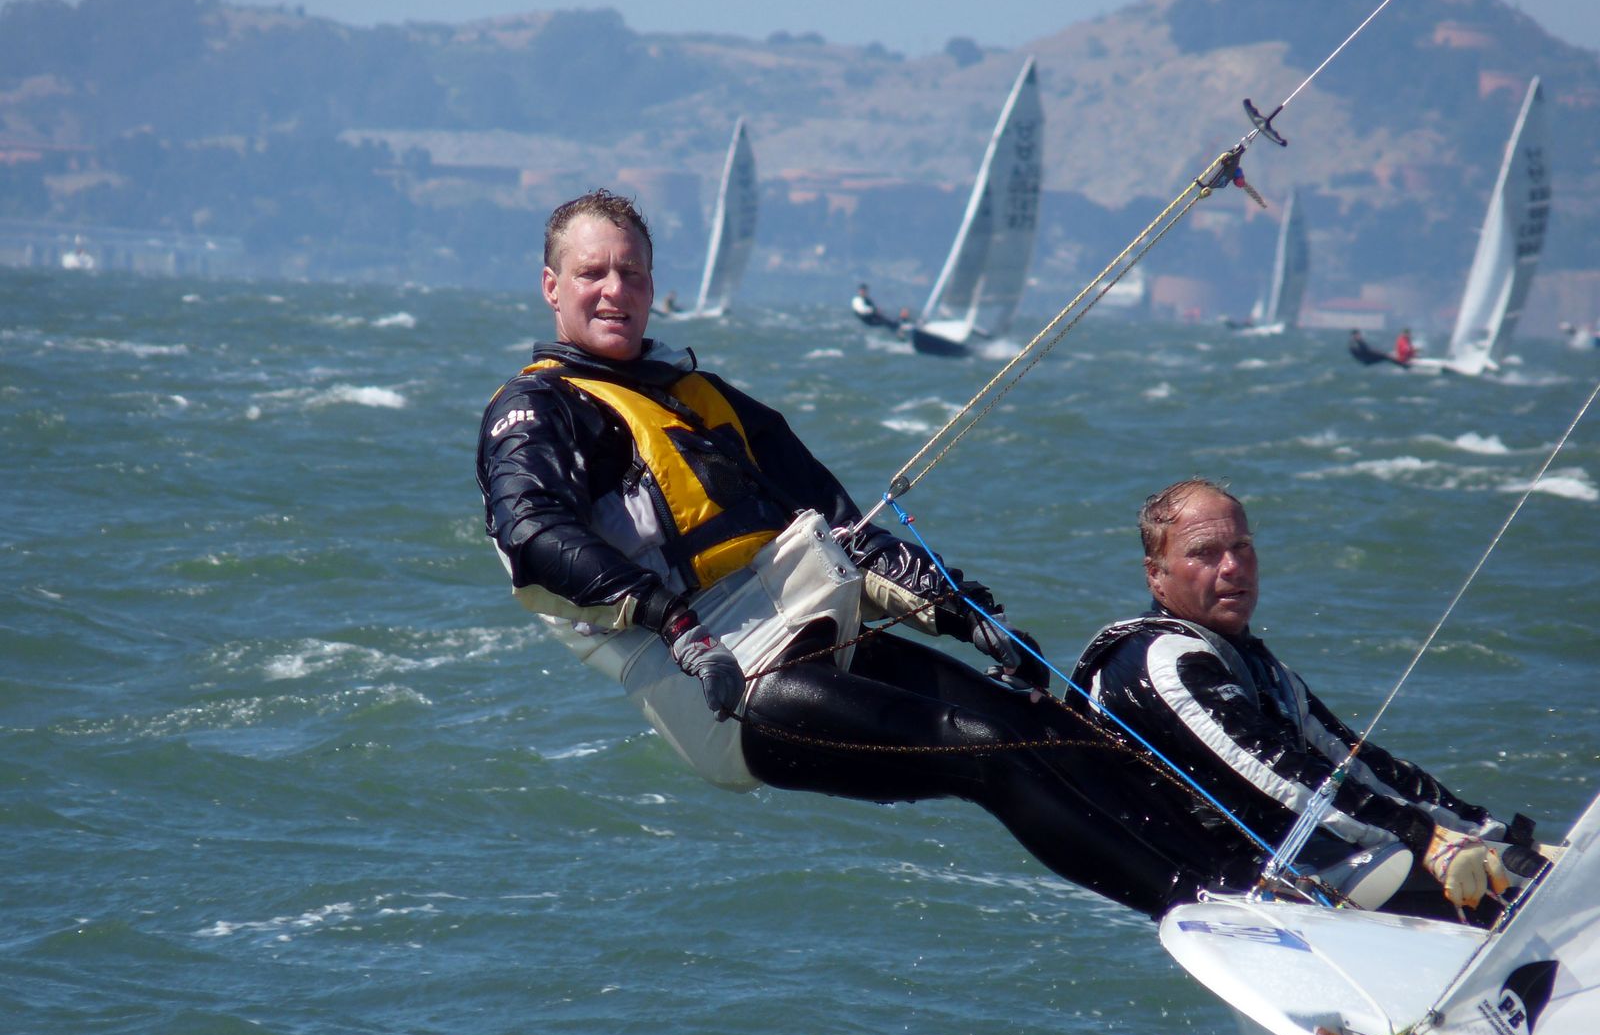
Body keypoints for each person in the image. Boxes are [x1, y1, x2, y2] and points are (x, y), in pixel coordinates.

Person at [477, 189, 1214, 915]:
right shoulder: (536, 409)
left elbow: (842, 530)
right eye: (592, 273)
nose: (615, 290)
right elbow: (533, 534)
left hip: (819, 631)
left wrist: (962, 614)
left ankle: (1234, 864)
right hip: (723, 684)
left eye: (632, 272)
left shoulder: (703, 396)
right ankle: (1192, 901)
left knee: (1043, 725)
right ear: (552, 286)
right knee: (986, 748)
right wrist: (676, 624)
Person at [1068, 479, 1551, 920]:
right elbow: (1273, 773)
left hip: (1305, 865)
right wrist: (1426, 840)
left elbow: (1359, 765)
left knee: (1508, 870)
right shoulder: (1161, 660)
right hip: (1227, 896)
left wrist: (1493, 836)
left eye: (1242, 546)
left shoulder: (1256, 665)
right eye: (1205, 553)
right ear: (1156, 575)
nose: (1232, 566)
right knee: (1478, 889)